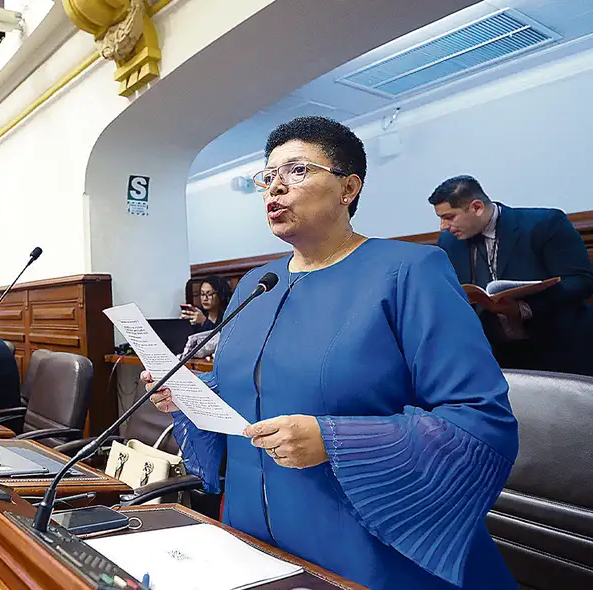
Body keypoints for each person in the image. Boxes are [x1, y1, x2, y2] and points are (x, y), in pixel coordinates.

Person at [145, 117, 518, 590]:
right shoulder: (256, 284)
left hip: (370, 543)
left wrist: (332, 438)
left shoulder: (409, 270)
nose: (274, 187)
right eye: (267, 176)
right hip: (252, 529)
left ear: (348, 188)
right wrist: (191, 393)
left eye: (297, 170)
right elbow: (254, 386)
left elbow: (480, 417)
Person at [429, 175, 593, 376]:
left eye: (449, 217)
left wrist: (524, 308)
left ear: (477, 207)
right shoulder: (449, 242)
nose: (443, 227)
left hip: (561, 346)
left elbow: (581, 281)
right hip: (498, 356)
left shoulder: (545, 224)